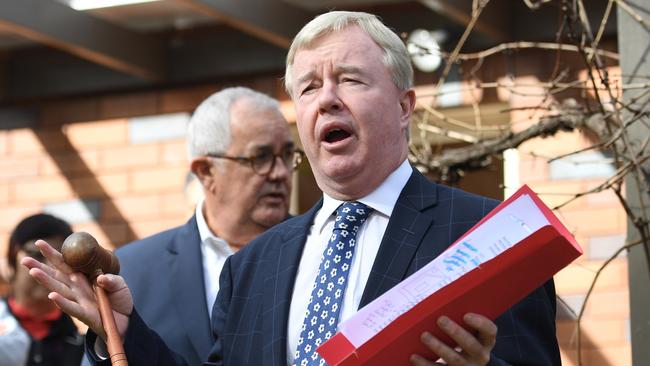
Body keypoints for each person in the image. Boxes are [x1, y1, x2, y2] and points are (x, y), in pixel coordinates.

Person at [24, 11, 561, 366]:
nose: (326, 98)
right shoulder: (253, 265)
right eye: (308, 87)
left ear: (403, 107)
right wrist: (123, 333)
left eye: (350, 78)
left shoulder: (488, 236)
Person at [80, 87, 298, 366]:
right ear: (206, 172)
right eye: (261, 158)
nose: (280, 172)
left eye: (287, 155)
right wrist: (110, 340)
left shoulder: (324, 252)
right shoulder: (131, 271)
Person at [5, 213, 84, 366]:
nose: (49, 266)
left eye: (59, 259)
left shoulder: (85, 347)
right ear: (11, 258)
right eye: (37, 255)